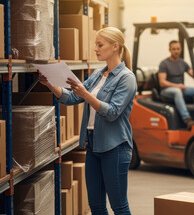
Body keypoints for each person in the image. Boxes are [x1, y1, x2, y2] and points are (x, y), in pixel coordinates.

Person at [39, 27, 136, 214]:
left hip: (115, 147)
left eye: (100, 45)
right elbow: (72, 98)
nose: (96, 49)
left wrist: (86, 94)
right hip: (93, 144)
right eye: (96, 45)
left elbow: (113, 112)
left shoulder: (127, 78)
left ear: (115, 46)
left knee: (119, 206)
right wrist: (50, 83)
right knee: (96, 205)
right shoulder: (98, 75)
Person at [158, 40, 194, 129]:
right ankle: (187, 119)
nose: (176, 51)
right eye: (174, 49)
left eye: (178, 49)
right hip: (166, 91)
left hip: (180, 88)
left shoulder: (182, 63)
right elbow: (162, 82)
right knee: (177, 91)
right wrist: (177, 86)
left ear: (181, 49)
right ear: (170, 50)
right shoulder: (164, 64)